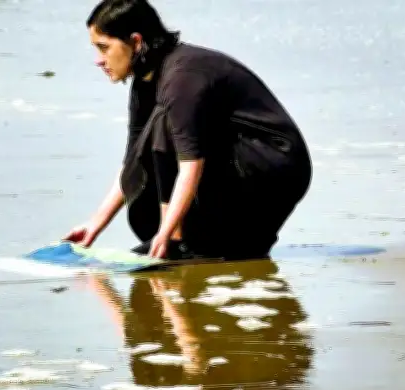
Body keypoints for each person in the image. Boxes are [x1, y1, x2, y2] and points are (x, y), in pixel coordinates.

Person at [63, 0, 313, 261]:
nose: (98, 61)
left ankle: (177, 240)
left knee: (163, 124)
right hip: (240, 162)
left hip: (276, 165)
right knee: (144, 211)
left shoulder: (181, 78)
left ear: (136, 42)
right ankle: (214, 243)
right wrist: (95, 225)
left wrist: (166, 232)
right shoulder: (144, 83)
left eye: (104, 48)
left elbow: (190, 164)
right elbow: (133, 162)